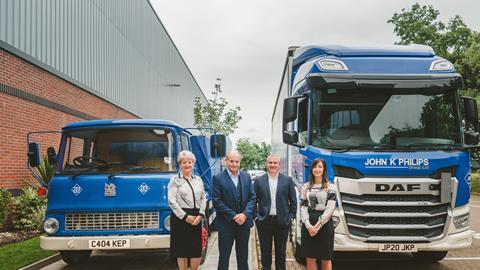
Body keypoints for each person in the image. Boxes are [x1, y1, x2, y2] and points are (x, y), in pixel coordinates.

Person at [212, 151, 256, 270]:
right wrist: (234, 216)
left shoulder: (246, 176)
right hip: (226, 225)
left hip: (244, 224)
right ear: (226, 161)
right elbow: (217, 201)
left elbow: (252, 198)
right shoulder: (218, 178)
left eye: (237, 161)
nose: (234, 164)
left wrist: (245, 215)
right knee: (224, 258)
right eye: (232, 161)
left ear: (240, 162)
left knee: (243, 258)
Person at [254, 154, 297, 270]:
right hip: (264, 222)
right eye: (270, 162)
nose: (272, 165)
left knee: (281, 253)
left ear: (279, 165)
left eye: (275, 163)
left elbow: (293, 201)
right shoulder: (259, 180)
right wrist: (256, 217)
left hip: (282, 222)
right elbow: (253, 200)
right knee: (265, 253)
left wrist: (291, 217)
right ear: (266, 164)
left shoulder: (287, 180)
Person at [167, 150, 206, 270]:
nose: (187, 164)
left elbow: (203, 198)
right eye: (184, 162)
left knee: (196, 249)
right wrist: (185, 217)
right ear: (180, 164)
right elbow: (172, 201)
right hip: (180, 218)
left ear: (193, 163)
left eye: (190, 162)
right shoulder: (175, 179)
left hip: (196, 217)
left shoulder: (198, 179)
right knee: (182, 250)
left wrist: (201, 215)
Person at [300, 158, 336, 270]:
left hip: (325, 224)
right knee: (310, 258)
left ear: (324, 169)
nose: (317, 169)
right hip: (309, 222)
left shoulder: (330, 187)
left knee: (325, 258)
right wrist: (308, 225)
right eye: (315, 167)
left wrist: (318, 226)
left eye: (320, 167)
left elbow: (330, 208)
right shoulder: (306, 187)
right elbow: (303, 206)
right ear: (311, 169)